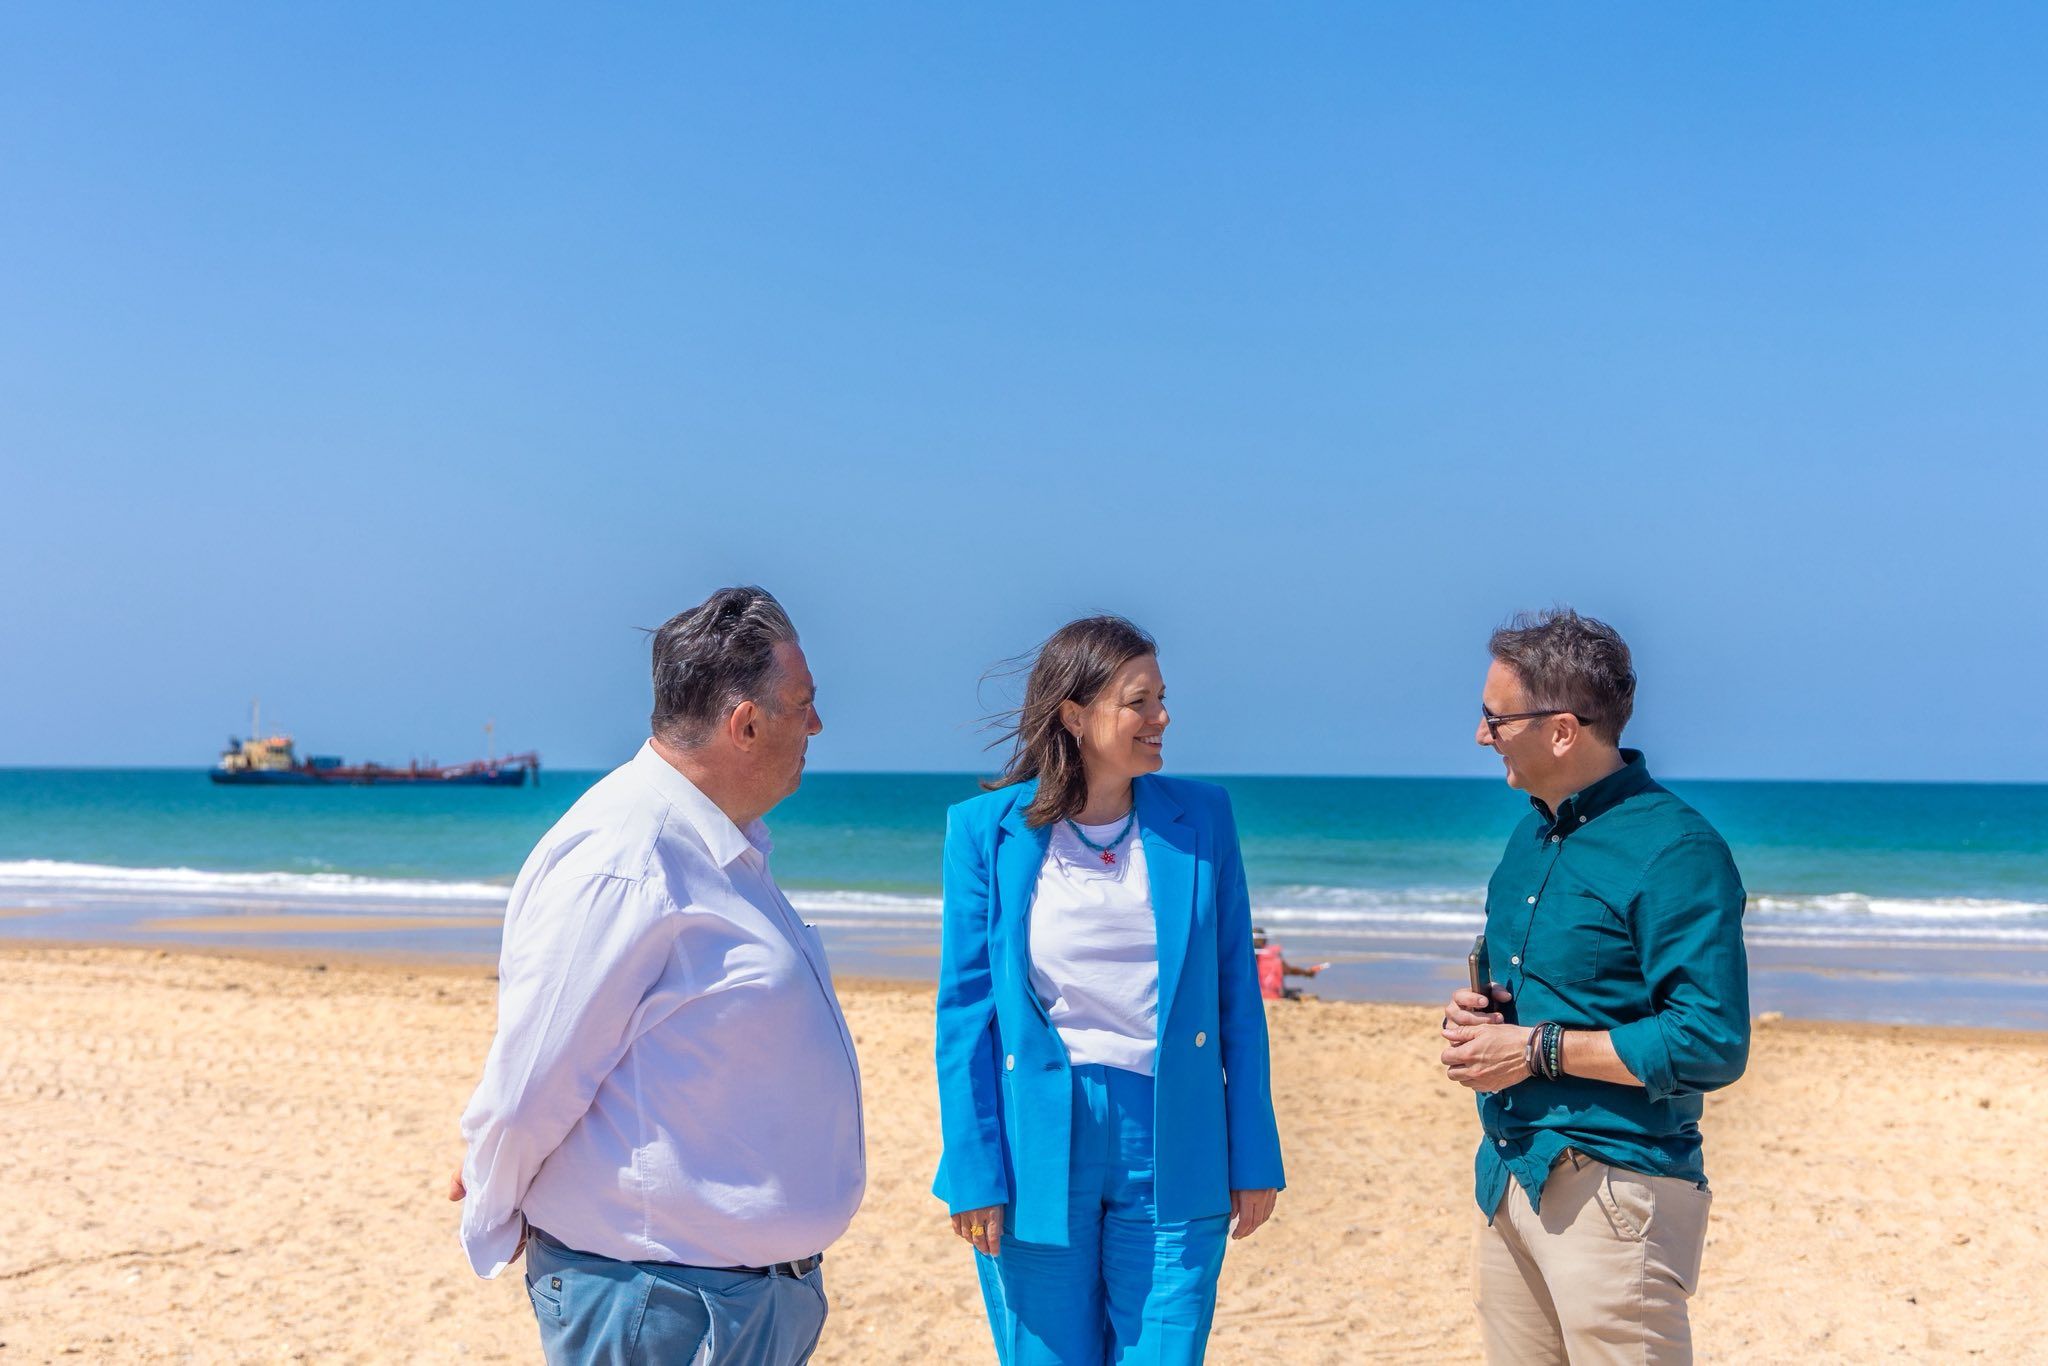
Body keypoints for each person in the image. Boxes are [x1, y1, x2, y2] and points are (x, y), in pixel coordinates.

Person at [450, 586, 863, 1366]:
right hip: (665, 1309)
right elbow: (533, 1079)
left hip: (735, 1303)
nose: (816, 726)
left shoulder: (719, 848)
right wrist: (493, 1207)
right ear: (744, 724)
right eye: (803, 704)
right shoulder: (626, 860)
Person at [933, 615, 1285, 1365]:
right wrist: (973, 1169)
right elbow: (965, 1014)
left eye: (1161, 698)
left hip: (1176, 1132)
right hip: (1036, 1141)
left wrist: (1253, 1154)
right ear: (1073, 713)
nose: (1162, 717)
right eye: (1140, 701)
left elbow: (1236, 1001)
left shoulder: (1203, 818)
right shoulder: (981, 831)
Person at [1440, 608, 1749, 1366]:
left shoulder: (1678, 850)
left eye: (1495, 717)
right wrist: (1477, 1020)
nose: (1482, 735)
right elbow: (1546, 998)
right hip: (1511, 1175)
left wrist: (1538, 1050)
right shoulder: (1530, 834)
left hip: (1617, 1192)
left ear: (1563, 729)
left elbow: (1711, 1040)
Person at [1251, 926, 1327, 1001]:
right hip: (1273, 995)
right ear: (1265, 940)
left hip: (1253, 995)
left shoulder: (1245, 957)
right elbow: (1289, 970)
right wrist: (1307, 972)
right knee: (1298, 992)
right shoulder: (1272, 955)